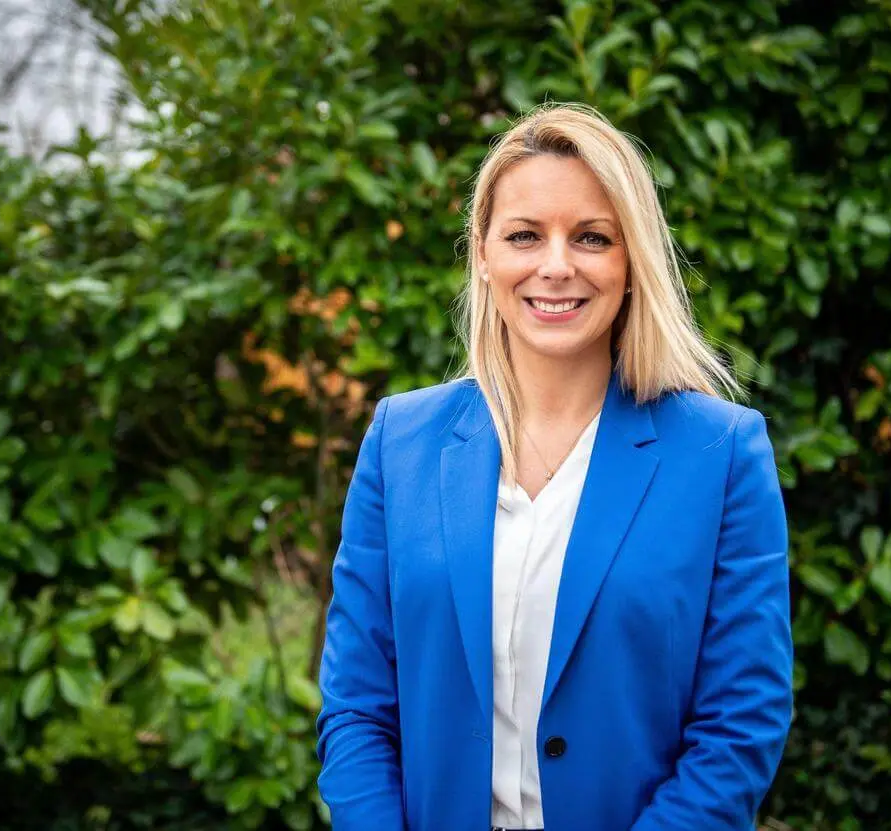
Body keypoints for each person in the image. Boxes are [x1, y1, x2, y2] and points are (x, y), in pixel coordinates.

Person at [316, 102, 793, 831]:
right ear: (483, 254)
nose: (557, 265)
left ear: (631, 261)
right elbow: (356, 706)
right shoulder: (400, 442)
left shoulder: (720, 454)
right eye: (524, 235)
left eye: (592, 237)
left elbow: (741, 722)